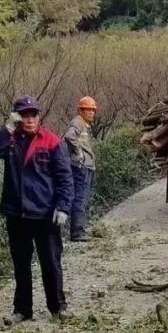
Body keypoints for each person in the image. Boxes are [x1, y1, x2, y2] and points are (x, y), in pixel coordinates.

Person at [0, 95, 75, 326]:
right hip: (17, 215)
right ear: (17, 117)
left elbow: (65, 178)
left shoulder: (52, 142)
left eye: (33, 114)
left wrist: (63, 207)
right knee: (21, 265)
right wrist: (7, 127)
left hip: (45, 215)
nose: (30, 119)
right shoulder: (10, 140)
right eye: (24, 115)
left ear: (39, 116)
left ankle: (58, 307)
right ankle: (22, 310)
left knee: (50, 263)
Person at [64, 96, 97, 242]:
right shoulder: (77, 122)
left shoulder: (84, 124)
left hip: (86, 166)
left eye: (93, 110)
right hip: (81, 167)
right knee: (80, 198)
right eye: (88, 110)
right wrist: (79, 154)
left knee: (82, 198)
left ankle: (80, 229)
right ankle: (77, 232)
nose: (91, 113)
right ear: (81, 110)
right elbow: (69, 136)